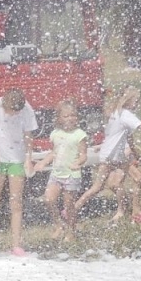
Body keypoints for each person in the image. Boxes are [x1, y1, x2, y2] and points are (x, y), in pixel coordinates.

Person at [80, 86, 141, 222]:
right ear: (128, 100)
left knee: (105, 185)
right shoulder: (126, 115)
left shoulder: (116, 113)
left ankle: (74, 208)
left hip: (113, 155)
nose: (137, 103)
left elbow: (128, 140)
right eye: (136, 100)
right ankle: (135, 213)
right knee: (132, 179)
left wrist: (139, 157)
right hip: (116, 156)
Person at [0, 88, 37, 257]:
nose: (11, 114)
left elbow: (28, 135)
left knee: (16, 202)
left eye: (14, 112)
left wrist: (28, 157)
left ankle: (16, 244)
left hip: (16, 159)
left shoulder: (26, 109)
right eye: (9, 111)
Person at [30, 100, 87, 243]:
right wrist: (42, 162)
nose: (70, 119)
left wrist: (78, 163)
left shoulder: (79, 134)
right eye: (66, 116)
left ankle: (71, 231)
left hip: (71, 175)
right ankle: (58, 224)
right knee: (49, 199)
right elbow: (53, 152)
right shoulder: (55, 134)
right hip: (56, 174)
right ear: (59, 119)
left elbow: (84, 155)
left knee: (69, 206)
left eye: (73, 115)